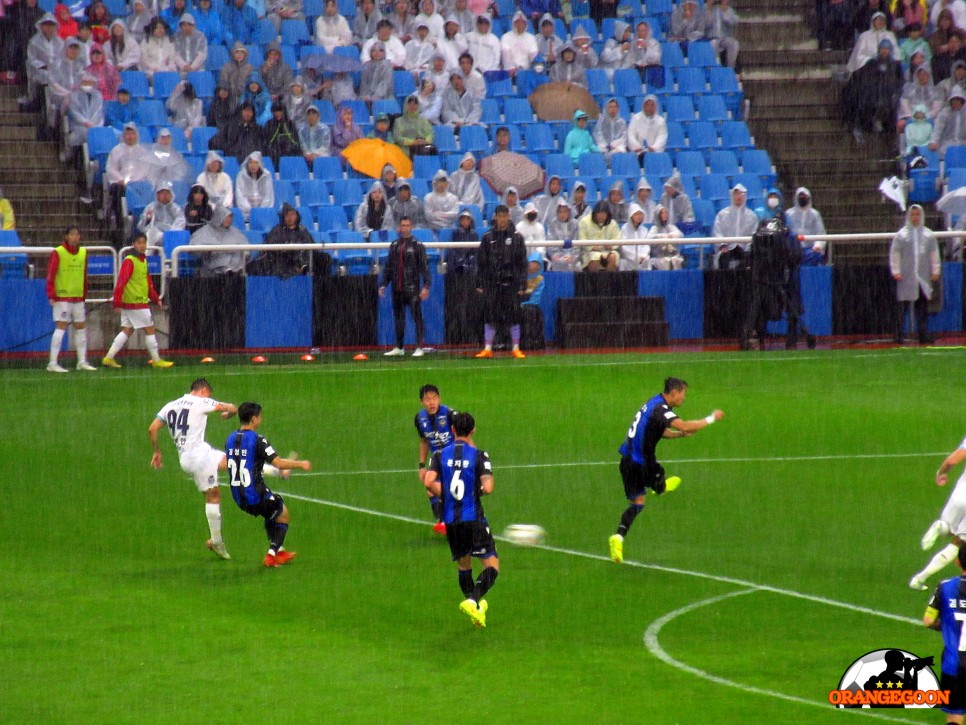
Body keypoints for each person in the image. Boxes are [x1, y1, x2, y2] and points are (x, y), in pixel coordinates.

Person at [608, 377, 724, 564]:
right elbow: (685, 424)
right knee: (659, 477)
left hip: (626, 461)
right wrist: (712, 418)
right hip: (643, 464)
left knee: (637, 503)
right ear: (674, 392)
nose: (684, 398)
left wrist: (679, 435)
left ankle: (618, 537)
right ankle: (659, 487)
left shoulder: (653, 402)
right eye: (684, 393)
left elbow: (660, 431)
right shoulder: (661, 410)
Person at [423, 410, 499, 628]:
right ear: (473, 430)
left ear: (452, 430)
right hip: (473, 518)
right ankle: (473, 599)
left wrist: (446, 496)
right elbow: (488, 487)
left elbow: (428, 481)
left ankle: (474, 612)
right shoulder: (479, 456)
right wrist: (473, 492)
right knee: (492, 564)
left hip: (452, 521)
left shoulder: (439, 455)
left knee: (464, 566)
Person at [148, 378, 238, 560]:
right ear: (204, 390)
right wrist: (229, 414)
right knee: (213, 496)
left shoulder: (170, 406)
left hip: (192, 454)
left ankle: (277, 470)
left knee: (234, 462)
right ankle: (217, 543)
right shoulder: (202, 401)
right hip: (198, 458)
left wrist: (157, 452)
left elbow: (152, 429)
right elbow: (233, 407)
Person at [224, 402, 310, 567]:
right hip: (255, 495)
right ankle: (272, 555)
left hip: (238, 497)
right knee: (282, 513)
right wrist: (300, 464)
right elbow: (278, 462)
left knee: (270, 513)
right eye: (260, 416)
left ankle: (280, 550)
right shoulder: (258, 440)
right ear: (254, 418)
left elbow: (249, 463)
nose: (261, 419)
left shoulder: (230, 439)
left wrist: (277, 473)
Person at [101, 232, 172, 368]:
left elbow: (147, 282)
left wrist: (155, 297)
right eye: (139, 243)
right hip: (136, 302)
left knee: (127, 330)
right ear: (133, 244)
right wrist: (116, 301)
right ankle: (157, 361)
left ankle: (109, 358)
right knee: (149, 329)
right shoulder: (130, 261)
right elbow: (121, 281)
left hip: (133, 303)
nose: (142, 245)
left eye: (144, 242)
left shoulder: (142, 260)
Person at [912, 440, 966, 591]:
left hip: (960, 495)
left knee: (949, 528)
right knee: (958, 544)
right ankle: (919, 579)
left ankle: (941, 526)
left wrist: (941, 472)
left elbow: (952, 460)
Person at [475, 205, 527, 359]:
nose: (503, 219)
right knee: (490, 315)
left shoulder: (517, 237)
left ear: (508, 216)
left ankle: (516, 348)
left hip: (511, 283)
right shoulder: (487, 237)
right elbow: (481, 262)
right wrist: (479, 282)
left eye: (505, 216)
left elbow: (522, 263)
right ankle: (488, 348)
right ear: (495, 217)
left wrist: (522, 283)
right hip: (492, 283)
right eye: (500, 216)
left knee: (514, 315)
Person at [923, 546, 966, 723]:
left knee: (955, 715)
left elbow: (928, 620)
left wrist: (946, 625)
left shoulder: (945, 587)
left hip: (953, 665)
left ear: (957, 561)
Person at [45, 226, 96, 373]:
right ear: (66, 236)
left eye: (77, 235)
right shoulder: (58, 252)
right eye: (72, 234)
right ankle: (52, 362)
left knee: (80, 327)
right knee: (61, 327)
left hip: (78, 297)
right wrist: (51, 294)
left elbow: (84, 275)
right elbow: (51, 274)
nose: (75, 237)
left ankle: (81, 361)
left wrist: (84, 294)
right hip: (62, 296)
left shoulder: (83, 253)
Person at [379, 216, 431, 357]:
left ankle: (419, 346)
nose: (405, 227)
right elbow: (389, 267)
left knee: (417, 317)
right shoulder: (394, 245)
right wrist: (384, 283)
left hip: (412, 288)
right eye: (403, 225)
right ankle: (399, 346)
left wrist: (426, 286)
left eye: (407, 225)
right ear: (400, 227)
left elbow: (424, 268)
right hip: (397, 287)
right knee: (399, 318)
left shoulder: (417, 245)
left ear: (411, 226)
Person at [890, 203, 940, 344]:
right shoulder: (902, 235)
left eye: (918, 214)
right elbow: (895, 253)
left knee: (922, 308)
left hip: (922, 277)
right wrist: (896, 270)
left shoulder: (928, 235)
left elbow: (934, 253)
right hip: (906, 276)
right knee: (902, 308)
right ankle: (898, 336)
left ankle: (923, 335)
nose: (915, 217)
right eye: (912, 214)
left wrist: (935, 270)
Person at [415, 384, 457, 534]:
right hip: (437, 459)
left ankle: (449, 521)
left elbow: (465, 433)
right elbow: (424, 441)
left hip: (453, 458)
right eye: (427, 399)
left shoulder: (450, 414)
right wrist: (421, 465)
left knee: (450, 490)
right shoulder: (420, 418)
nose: (431, 402)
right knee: (430, 486)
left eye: (434, 398)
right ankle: (443, 520)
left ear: (439, 399)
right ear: (422, 402)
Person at [191, 204, 249, 276]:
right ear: (219, 217)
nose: (229, 220)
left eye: (230, 217)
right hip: (213, 265)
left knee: (237, 257)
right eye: (226, 217)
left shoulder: (235, 231)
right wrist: (213, 250)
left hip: (236, 266)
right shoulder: (204, 231)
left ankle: (233, 270)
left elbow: (245, 247)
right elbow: (194, 247)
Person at [713, 183, 759, 270]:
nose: (739, 196)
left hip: (744, 249)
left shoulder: (752, 216)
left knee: (750, 260)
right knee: (724, 259)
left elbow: (754, 234)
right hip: (727, 248)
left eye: (741, 194)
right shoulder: (722, 215)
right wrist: (723, 245)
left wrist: (748, 248)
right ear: (732, 195)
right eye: (736, 193)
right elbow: (717, 232)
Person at [785, 186, 827, 265]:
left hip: (810, 249)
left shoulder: (815, 214)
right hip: (793, 249)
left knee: (816, 256)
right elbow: (786, 231)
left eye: (804, 196)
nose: (802, 198)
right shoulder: (789, 214)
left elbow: (820, 232)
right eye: (800, 196)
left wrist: (818, 245)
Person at [138, 181, 186, 247]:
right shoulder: (151, 207)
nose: (164, 196)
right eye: (162, 193)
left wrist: (170, 234)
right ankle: (148, 255)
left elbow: (181, 222)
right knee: (151, 234)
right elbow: (141, 227)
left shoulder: (176, 208)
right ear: (157, 195)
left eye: (167, 193)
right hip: (156, 236)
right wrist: (148, 219)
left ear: (171, 194)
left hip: (172, 236)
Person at [578, 199, 621, 271]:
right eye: (599, 214)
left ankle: (608, 279)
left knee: (613, 257)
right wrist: (591, 247)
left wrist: (612, 245)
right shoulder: (584, 222)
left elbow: (617, 238)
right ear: (595, 213)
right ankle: (594, 281)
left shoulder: (612, 223)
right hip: (590, 252)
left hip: (607, 251)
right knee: (595, 259)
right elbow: (581, 238)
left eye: (604, 214)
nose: (601, 217)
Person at [234, 150, 274, 222]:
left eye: (256, 163)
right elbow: (240, 196)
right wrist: (250, 210)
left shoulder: (266, 175)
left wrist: (260, 211)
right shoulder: (241, 176)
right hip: (246, 213)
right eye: (251, 162)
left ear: (260, 164)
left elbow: (268, 196)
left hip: (263, 214)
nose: (253, 165)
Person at [647, 205, 685, 270]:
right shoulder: (654, 228)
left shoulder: (670, 226)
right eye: (662, 213)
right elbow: (649, 238)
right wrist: (660, 236)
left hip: (672, 254)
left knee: (676, 260)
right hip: (659, 256)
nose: (664, 215)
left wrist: (672, 235)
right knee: (664, 261)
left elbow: (681, 235)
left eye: (666, 213)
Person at [704, 0, 739, 68]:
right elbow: (705, 25)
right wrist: (709, 11)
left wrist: (725, 12)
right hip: (711, 38)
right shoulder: (705, 8)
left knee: (734, 43)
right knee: (713, 44)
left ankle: (730, 68)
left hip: (725, 37)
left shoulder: (728, 9)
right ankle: (714, 67)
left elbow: (734, 22)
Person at [218, 42, 253, 108]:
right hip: (230, 97)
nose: (239, 54)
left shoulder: (249, 67)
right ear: (233, 54)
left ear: (245, 54)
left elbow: (251, 84)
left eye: (242, 52)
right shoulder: (227, 67)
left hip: (245, 97)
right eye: (237, 52)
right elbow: (223, 83)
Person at [593, 97, 627, 161]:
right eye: (610, 107)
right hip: (604, 149)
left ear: (618, 109)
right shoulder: (601, 122)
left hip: (617, 149)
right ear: (606, 108)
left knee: (622, 151)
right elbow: (598, 136)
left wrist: (614, 145)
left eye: (615, 107)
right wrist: (607, 146)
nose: (613, 109)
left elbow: (623, 137)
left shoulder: (622, 122)